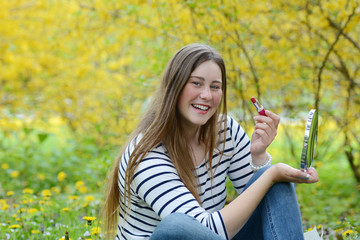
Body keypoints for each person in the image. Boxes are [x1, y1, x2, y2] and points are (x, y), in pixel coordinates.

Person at [102, 43, 319, 240]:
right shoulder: (146, 157)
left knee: (273, 183)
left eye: (215, 87)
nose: (206, 95)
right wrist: (271, 174)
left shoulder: (225, 130)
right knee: (177, 226)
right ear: (174, 87)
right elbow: (206, 230)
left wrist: (259, 156)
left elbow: (261, 204)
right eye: (196, 83)